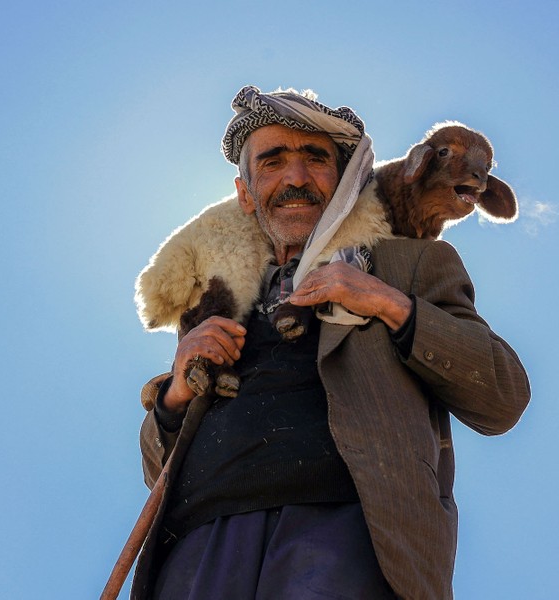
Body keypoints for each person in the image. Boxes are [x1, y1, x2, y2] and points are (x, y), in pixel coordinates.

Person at [131, 85, 530, 600]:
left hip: (348, 536)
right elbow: (155, 471)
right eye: (273, 162)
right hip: (199, 545)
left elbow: (502, 396)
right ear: (246, 193)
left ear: (343, 181)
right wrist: (173, 397)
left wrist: (389, 303)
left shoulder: (408, 263)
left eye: (315, 159)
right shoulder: (214, 295)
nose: (295, 178)